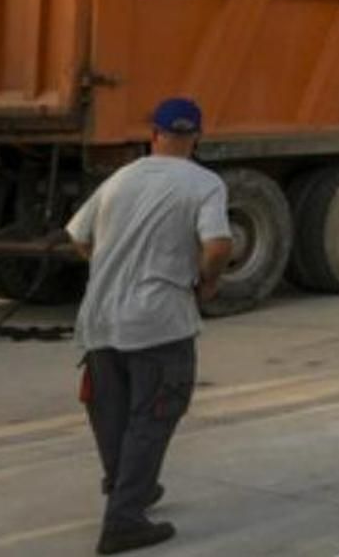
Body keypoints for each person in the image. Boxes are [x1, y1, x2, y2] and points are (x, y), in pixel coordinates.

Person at [67, 97, 233, 555]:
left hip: (100, 317)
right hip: (159, 320)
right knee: (152, 418)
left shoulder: (121, 178)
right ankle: (124, 519)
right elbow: (218, 245)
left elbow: (78, 235)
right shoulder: (204, 183)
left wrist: (108, 266)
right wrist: (206, 281)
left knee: (111, 413)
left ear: (154, 135)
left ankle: (126, 485)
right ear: (196, 137)